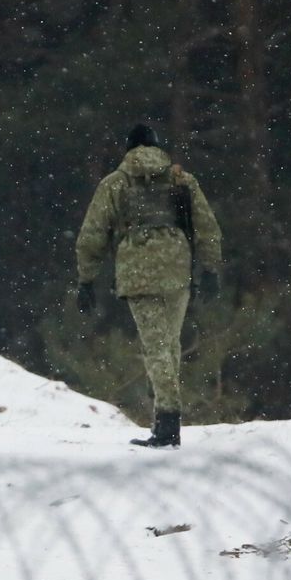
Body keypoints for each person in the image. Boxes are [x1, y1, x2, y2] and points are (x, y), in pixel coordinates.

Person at [74, 123, 223, 448]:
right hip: (177, 268)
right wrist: (210, 269)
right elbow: (207, 227)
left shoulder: (114, 184)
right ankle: (166, 421)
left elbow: (92, 235)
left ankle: (167, 424)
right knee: (169, 345)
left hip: (138, 272)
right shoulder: (182, 180)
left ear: (128, 149)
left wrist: (86, 279)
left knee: (156, 348)